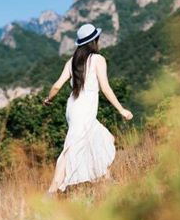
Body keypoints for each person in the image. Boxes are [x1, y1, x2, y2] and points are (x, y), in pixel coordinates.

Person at [44, 23, 133, 194]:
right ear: (94, 41)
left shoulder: (71, 62)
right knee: (71, 149)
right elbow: (105, 88)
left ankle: (105, 179)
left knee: (105, 138)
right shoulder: (98, 60)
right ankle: (51, 192)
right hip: (84, 110)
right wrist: (121, 110)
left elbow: (56, 86)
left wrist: (48, 99)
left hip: (74, 107)